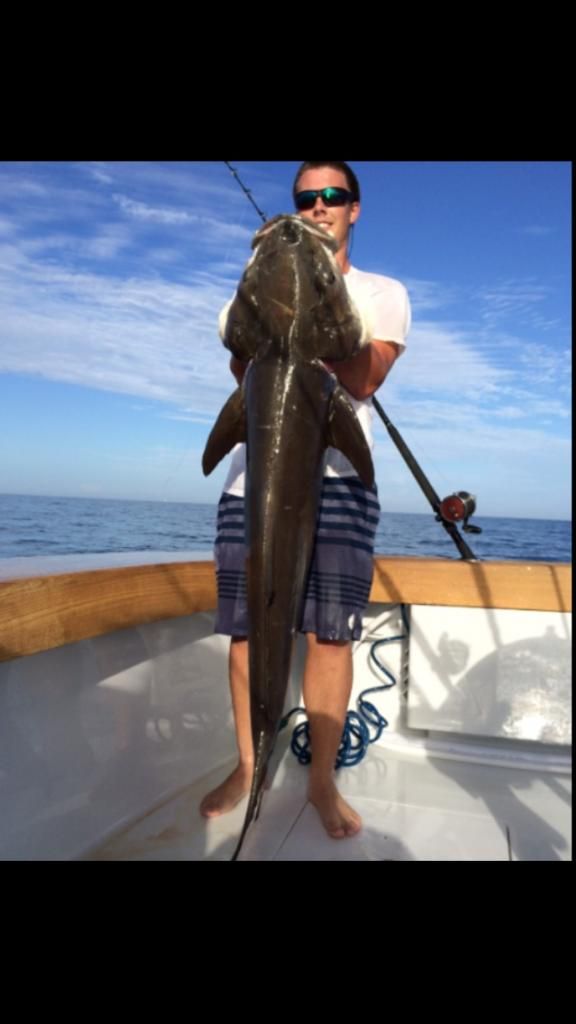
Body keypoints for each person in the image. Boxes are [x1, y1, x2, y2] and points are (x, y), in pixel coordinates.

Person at [200, 161, 411, 839]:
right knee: (245, 628)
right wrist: (269, 285)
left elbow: (364, 379)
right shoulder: (249, 285)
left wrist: (315, 309)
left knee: (329, 633)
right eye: (305, 199)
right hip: (251, 482)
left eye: (332, 196)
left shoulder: (382, 293)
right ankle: (249, 763)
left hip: (342, 481)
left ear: (354, 208)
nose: (318, 206)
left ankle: (320, 780)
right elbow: (244, 365)